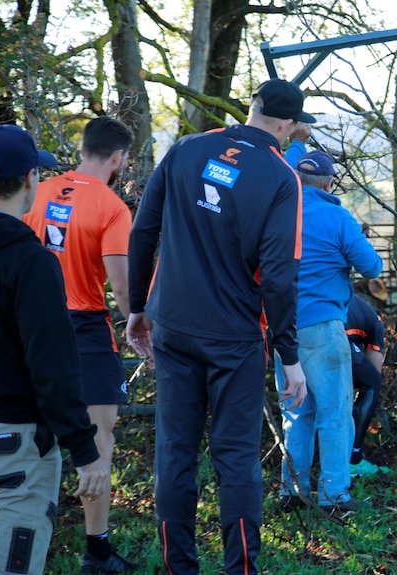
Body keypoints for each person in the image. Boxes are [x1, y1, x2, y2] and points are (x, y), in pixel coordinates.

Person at [126, 78, 310, 574]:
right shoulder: (280, 176)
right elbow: (279, 274)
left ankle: (179, 567)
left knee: (175, 451)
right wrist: (288, 355)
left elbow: (144, 229)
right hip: (233, 337)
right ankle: (241, 569)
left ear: (253, 108)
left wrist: (137, 306)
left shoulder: (188, 148)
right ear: (289, 125)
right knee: (235, 459)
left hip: (172, 325)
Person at [0, 124, 106, 575]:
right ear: (31, 179)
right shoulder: (30, 262)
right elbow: (52, 366)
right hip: (12, 449)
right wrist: (83, 447)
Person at [22, 116, 140, 574]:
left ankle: (28, 541)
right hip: (86, 328)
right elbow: (123, 289)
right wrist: (138, 320)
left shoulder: (37, 189)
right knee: (97, 442)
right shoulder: (112, 206)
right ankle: (97, 553)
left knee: (32, 437)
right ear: (117, 157)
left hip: (30, 322)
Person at [276, 150, 383, 513]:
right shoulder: (338, 217)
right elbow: (371, 267)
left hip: (281, 329)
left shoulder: (279, 214)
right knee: (335, 413)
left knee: (297, 413)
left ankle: (292, 490)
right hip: (322, 327)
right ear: (329, 183)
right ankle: (334, 496)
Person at [346, 294, 390, 477]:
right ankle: (354, 458)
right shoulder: (376, 322)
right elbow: (374, 370)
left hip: (289, 327)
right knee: (372, 383)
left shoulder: (358, 306)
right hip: (332, 332)